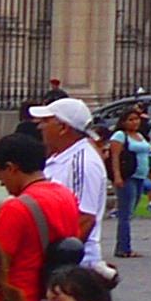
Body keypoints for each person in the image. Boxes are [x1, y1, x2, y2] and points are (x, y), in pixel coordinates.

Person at [0, 135, 83, 301]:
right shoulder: (65, 195)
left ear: (12, 168)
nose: (1, 182)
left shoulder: (15, 207)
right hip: (48, 298)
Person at [29, 100, 108, 234]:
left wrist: (63, 253)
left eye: (46, 121)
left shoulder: (83, 163)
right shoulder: (59, 157)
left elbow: (84, 218)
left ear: (63, 128)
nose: (40, 126)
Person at [98, 105, 151, 260]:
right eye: (130, 119)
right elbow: (115, 157)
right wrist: (117, 176)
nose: (134, 122)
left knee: (130, 211)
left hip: (140, 175)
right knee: (125, 213)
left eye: (136, 119)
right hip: (128, 175)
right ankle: (123, 247)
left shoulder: (140, 135)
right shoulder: (120, 136)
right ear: (123, 122)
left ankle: (124, 245)